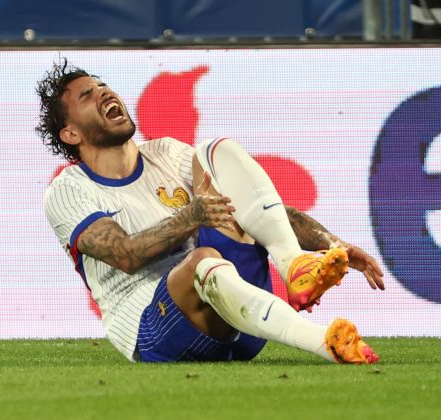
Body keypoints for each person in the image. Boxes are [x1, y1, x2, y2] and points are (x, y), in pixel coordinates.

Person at [36, 60, 385, 364]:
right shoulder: (68, 190)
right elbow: (125, 255)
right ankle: (323, 341)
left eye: (102, 86)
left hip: (240, 317)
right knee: (201, 254)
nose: (104, 93)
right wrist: (192, 216)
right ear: (71, 132)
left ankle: (294, 264)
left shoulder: (167, 153)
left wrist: (331, 244)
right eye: (87, 96)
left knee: (215, 152)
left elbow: (256, 211)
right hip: (158, 330)